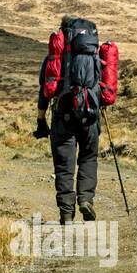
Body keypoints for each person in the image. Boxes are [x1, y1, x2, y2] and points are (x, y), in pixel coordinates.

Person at [34, 15, 99, 225]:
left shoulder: (54, 59)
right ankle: (86, 200)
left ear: (62, 34)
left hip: (63, 117)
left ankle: (66, 213)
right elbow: (104, 88)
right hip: (90, 117)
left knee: (64, 166)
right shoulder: (93, 55)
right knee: (88, 158)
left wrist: (41, 119)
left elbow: (45, 90)